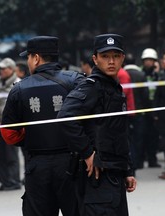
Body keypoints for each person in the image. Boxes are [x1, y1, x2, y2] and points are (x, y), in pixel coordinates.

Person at [0, 36, 84, 216]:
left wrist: (30, 134)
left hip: (38, 166)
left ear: (36, 58)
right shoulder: (76, 81)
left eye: (28, 57)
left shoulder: (19, 89)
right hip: (73, 163)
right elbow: (91, 122)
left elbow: (8, 134)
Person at [57, 33, 136, 216]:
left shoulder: (114, 88)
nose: (111, 61)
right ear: (95, 59)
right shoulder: (91, 86)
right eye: (105, 56)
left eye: (116, 56)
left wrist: (128, 169)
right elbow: (66, 117)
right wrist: (87, 153)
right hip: (97, 175)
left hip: (115, 171)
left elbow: (120, 132)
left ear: (122, 58)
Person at [0, 57, 21, 191]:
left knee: (11, 155)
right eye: (0, 68)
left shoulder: (17, 83)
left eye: (4, 68)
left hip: (10, 125)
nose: (1, 71)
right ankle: (4, 182)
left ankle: (14, 181)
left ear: (12, 69)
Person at [124, 54, 151, 170]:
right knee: (139, 137)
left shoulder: (120, 73)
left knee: (127, 137)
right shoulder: (141, 75)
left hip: (125, 111)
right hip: (139, 111)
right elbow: (146, 95)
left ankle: (130, 162)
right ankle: (138, 161)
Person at [140, 48, 161, 168]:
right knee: (142, 136)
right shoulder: (140, 74)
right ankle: (141, 159)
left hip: (154, 108)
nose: (148, 63)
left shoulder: (158, 76)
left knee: (154, 136)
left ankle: (152, 159)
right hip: (143, 109)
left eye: (151, 60)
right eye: (146, 60)